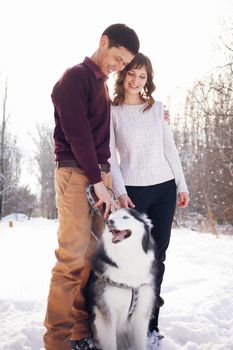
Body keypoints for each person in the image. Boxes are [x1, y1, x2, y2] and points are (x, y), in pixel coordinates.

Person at [43, 24, 140, 350]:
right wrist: (97, 182)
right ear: (103, 42)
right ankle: (56, 341)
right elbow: (77, 135)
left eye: (125, 63)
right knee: (69, 259)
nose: (120, 66)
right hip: (75, 174)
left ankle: (79, 332)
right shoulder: (74, 78)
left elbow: (108, 138)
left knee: (90, 260)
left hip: (100, 179)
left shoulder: (101, 87)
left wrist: (107, 182)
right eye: (118, 57)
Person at [109, 52, 189, 345]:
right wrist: (120, 193)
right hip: (133, 193)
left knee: (158, 258)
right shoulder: (112, 112)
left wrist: (182, 185)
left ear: (148, 80)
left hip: (164, 189)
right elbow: (111, 159)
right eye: (132, 73)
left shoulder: (158, 110)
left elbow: (170, 149)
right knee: (128, 259)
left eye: (142, 76)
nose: (136, 80)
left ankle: (150, 324)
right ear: (123, 74)